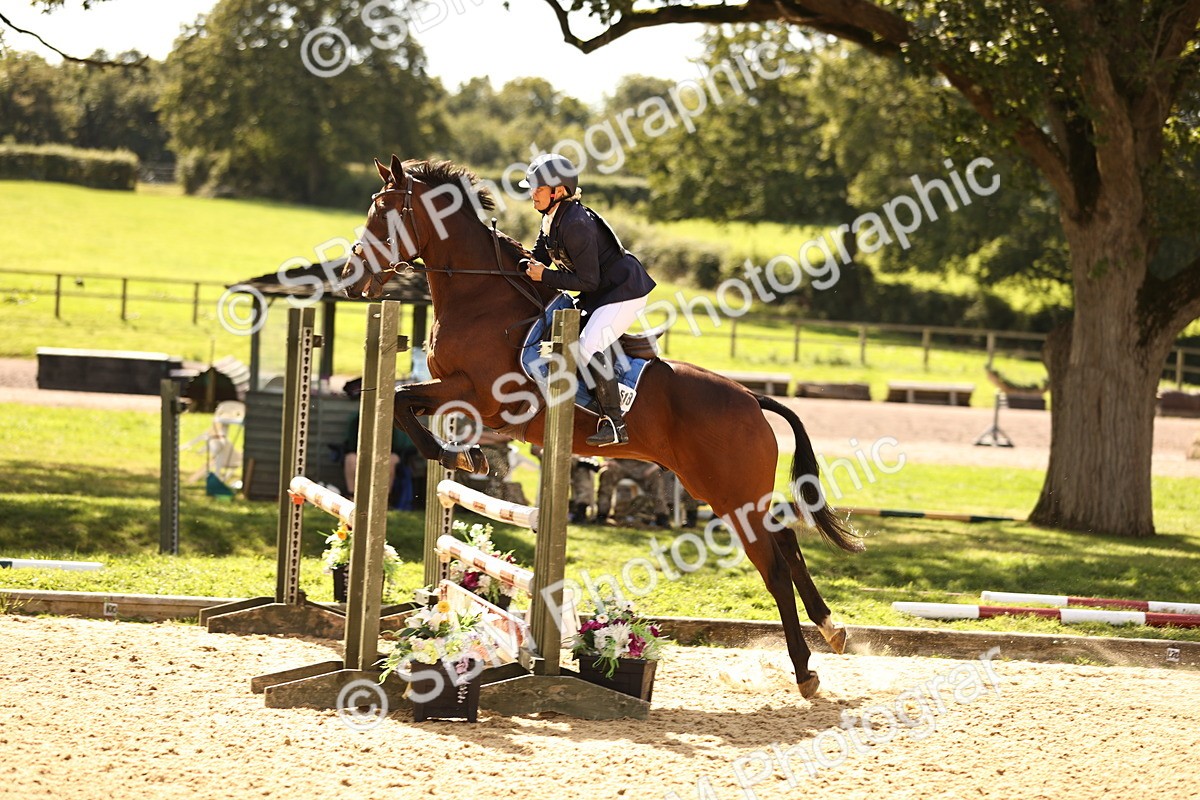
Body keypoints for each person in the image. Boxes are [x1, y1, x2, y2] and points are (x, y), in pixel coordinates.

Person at [519, 153, 656, 447]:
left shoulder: (576, 223)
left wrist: (544, 276)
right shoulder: (552, 218)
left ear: (559, 191)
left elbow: (586, 280)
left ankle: (615, 423)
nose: (532, 195)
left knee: (588, 345)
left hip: (623, 292)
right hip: (600, 293)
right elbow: (538, 258)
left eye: (538, 189)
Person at [342, 378, 419, 509]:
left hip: (387, 453)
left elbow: (398, 446)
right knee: (350, 459)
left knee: (391, 459)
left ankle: (383, 501)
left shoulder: (392, 419)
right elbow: (351, 445)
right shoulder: (356, 419)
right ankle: (353, 498)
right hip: (362, 454)